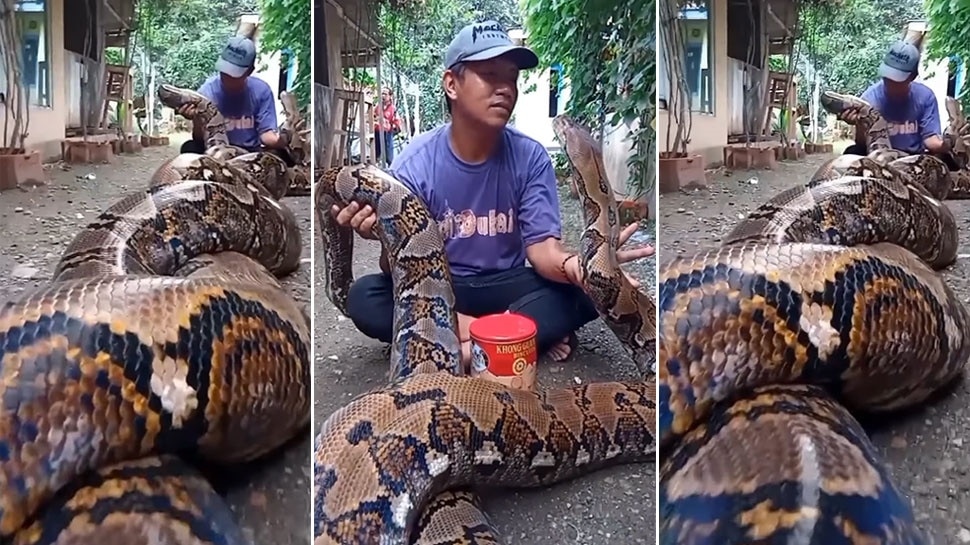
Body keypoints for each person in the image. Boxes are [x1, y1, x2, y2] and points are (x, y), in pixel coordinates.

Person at [330, 20, 655, 365]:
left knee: (588, 296)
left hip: (508, 283)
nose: (505, 89)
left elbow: (543, 250)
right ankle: (511, 338)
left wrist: (580, 267)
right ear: (451, 84)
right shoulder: (415, 164)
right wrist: (382, 235)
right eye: (490, 75)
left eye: (511, 77)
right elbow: (395, 267)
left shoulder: (530, 157)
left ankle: (467, 344)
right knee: (366, 297)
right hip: (441, 285)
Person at [176, 36, 292, 163]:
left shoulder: (261, 91)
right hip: (215, 151)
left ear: (249, 71)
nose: (227, 76)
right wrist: (196, 119)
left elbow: (267, 136)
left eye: (234, 73)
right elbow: (199, 138)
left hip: (250, 154)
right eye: (224, 70)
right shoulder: (206, 93)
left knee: (283, 155)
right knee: (189, 148)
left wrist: (284, 139)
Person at [840, 40, 953, 166]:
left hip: (913, 159)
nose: (890, 82)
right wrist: (858, 124)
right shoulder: (869, 99)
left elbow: (931, 141)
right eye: (887, 76)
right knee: (851, 152)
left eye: (896, 78)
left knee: (948, 159)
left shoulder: (925, 97)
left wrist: (951, 142)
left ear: (913, 76)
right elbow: (862, 143)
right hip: (878, 156)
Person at [374, 87, 402, 164]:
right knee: (376, 154)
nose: (383, 96)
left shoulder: (393, 109)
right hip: (377, 133)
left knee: (388, 157)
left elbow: (397, 125)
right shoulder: (377, 107)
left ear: (390, 96)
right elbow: (372, 117)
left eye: (385, 94)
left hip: (387, 134)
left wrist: (389, 126)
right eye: (382, 94)